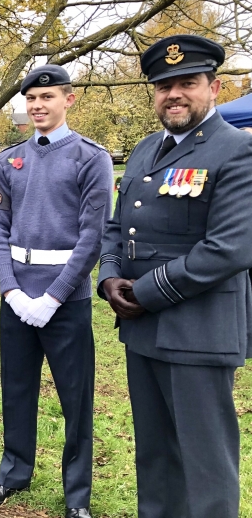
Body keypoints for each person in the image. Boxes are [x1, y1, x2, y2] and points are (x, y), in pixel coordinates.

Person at [98, 35, 252, 518]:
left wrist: (144, 291)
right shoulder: (145, 149)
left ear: (215, 86)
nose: (175, 94)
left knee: (205, 463)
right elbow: (116, 226)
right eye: (164, 86)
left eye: (188, 83)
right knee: (156, 454)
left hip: (199, 329)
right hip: (142, 328)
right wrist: (108, 277)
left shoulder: (237, 151)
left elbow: (229, 248)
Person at [0, 65, 113, 518]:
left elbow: (92, 237)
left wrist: (54, 296)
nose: (37, 106)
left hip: (66, 301)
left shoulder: (90, 157)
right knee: (16, 391)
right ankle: (14, 473)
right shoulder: (8, 158)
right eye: (31, 99)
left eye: (48, 97)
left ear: (68, 100)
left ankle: (77, 496)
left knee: (75, 399)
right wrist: (10, 290)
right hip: (17, 296)